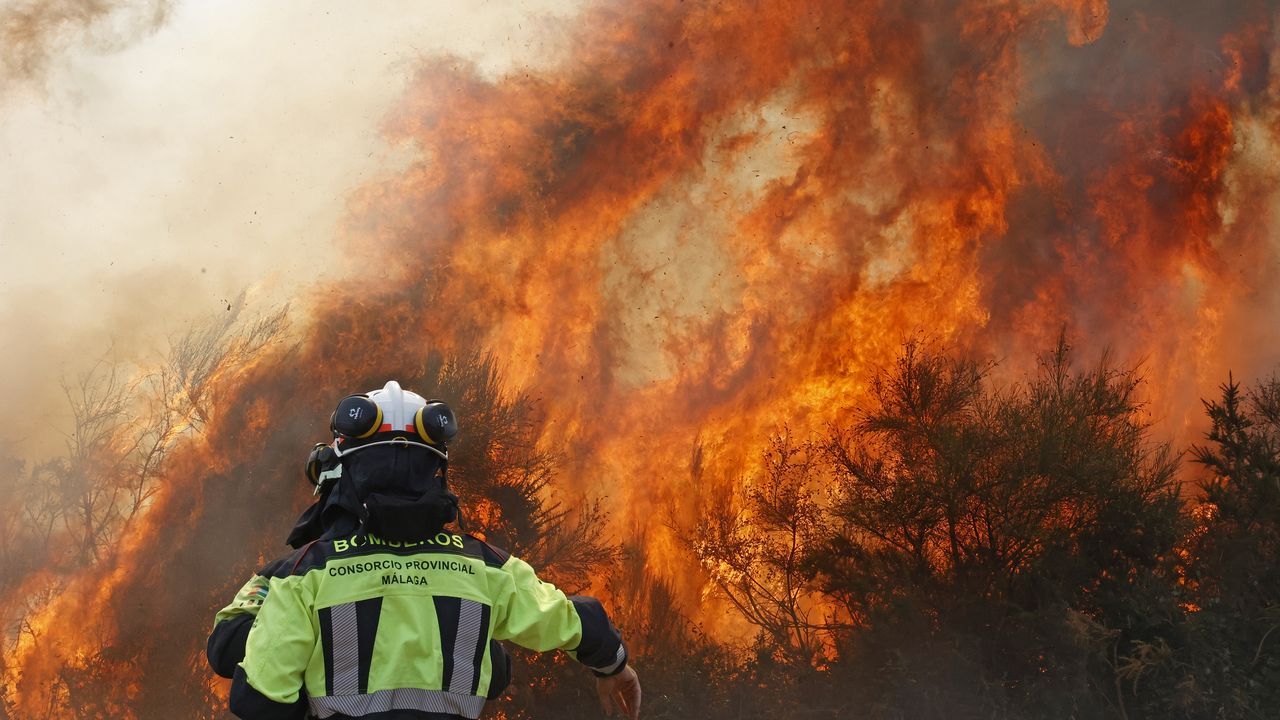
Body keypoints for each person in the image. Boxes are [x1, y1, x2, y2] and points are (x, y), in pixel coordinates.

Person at [207, 380, 641, 720]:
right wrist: (613, 667)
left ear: (338, 468)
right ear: (437, 471)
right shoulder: (482, 566)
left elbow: (258, 697)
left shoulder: (304, 574)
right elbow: (569, 619)